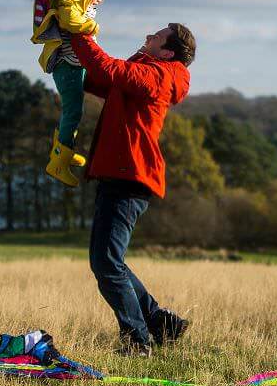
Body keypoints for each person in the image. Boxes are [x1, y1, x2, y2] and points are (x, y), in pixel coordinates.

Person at [70, 23, 196, 356]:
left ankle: (138, 340)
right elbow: (99, 80)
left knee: (107, 263)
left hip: (130, 178)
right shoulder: (148, 67)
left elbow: (108, 68)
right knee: (110, 261)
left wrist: (78, 34)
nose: (148, 36)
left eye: (156, 36)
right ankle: (160, 322)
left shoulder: (160, 76)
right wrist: (69, 56)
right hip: (119, 176)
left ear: (168, 51)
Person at [29, 0, 106, 187]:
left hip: (74, 65)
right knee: (73, 111)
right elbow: (69, 22)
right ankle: (58, 162)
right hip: (67, 66)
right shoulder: (71, 1)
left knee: (72, 111)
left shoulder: (79, 2)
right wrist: (92, 27)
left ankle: (64, 149)